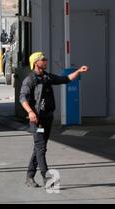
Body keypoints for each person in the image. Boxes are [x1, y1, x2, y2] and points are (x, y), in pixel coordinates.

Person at [20, 52, 89, 188]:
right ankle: (46, 176)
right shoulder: (30, 79)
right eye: (43, 60)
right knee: (41, 148)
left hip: (47, 118)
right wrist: (30, 112)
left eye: (45, 59)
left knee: (39, 148)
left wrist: (78, 71)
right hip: (37, 119)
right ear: (36, 63)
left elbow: (65, 79)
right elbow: (22, 98)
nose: (46, 61)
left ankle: (29, 176)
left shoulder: (47, 77)